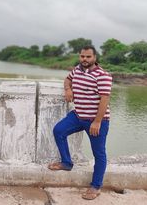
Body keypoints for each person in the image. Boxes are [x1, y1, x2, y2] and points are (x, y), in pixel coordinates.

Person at [48, 45, 113, 200]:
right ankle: (66, 162)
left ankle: (96, 186)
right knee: (59, 131)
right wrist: (67, 89)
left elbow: (105, 100)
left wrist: (97, 122)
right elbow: (68, 79)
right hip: (78, 115)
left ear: (95, 57)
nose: (84, 59)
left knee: (99, 153)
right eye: (82, 56)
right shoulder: (77, 69)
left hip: (97, 120)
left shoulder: (103, 75)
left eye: (88, 57)